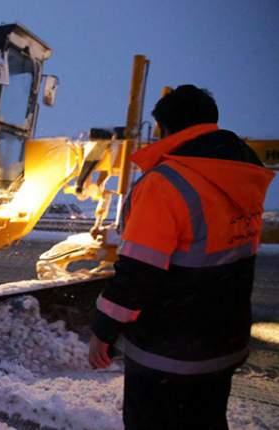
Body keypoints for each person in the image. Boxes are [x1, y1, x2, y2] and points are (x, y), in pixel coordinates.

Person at [88, 85, 275, 429]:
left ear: (165, 129)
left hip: (167, 354)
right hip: (223, 345)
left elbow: (138, 274)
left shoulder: (164, 184)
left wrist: (103, 331)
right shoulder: (245, 174)